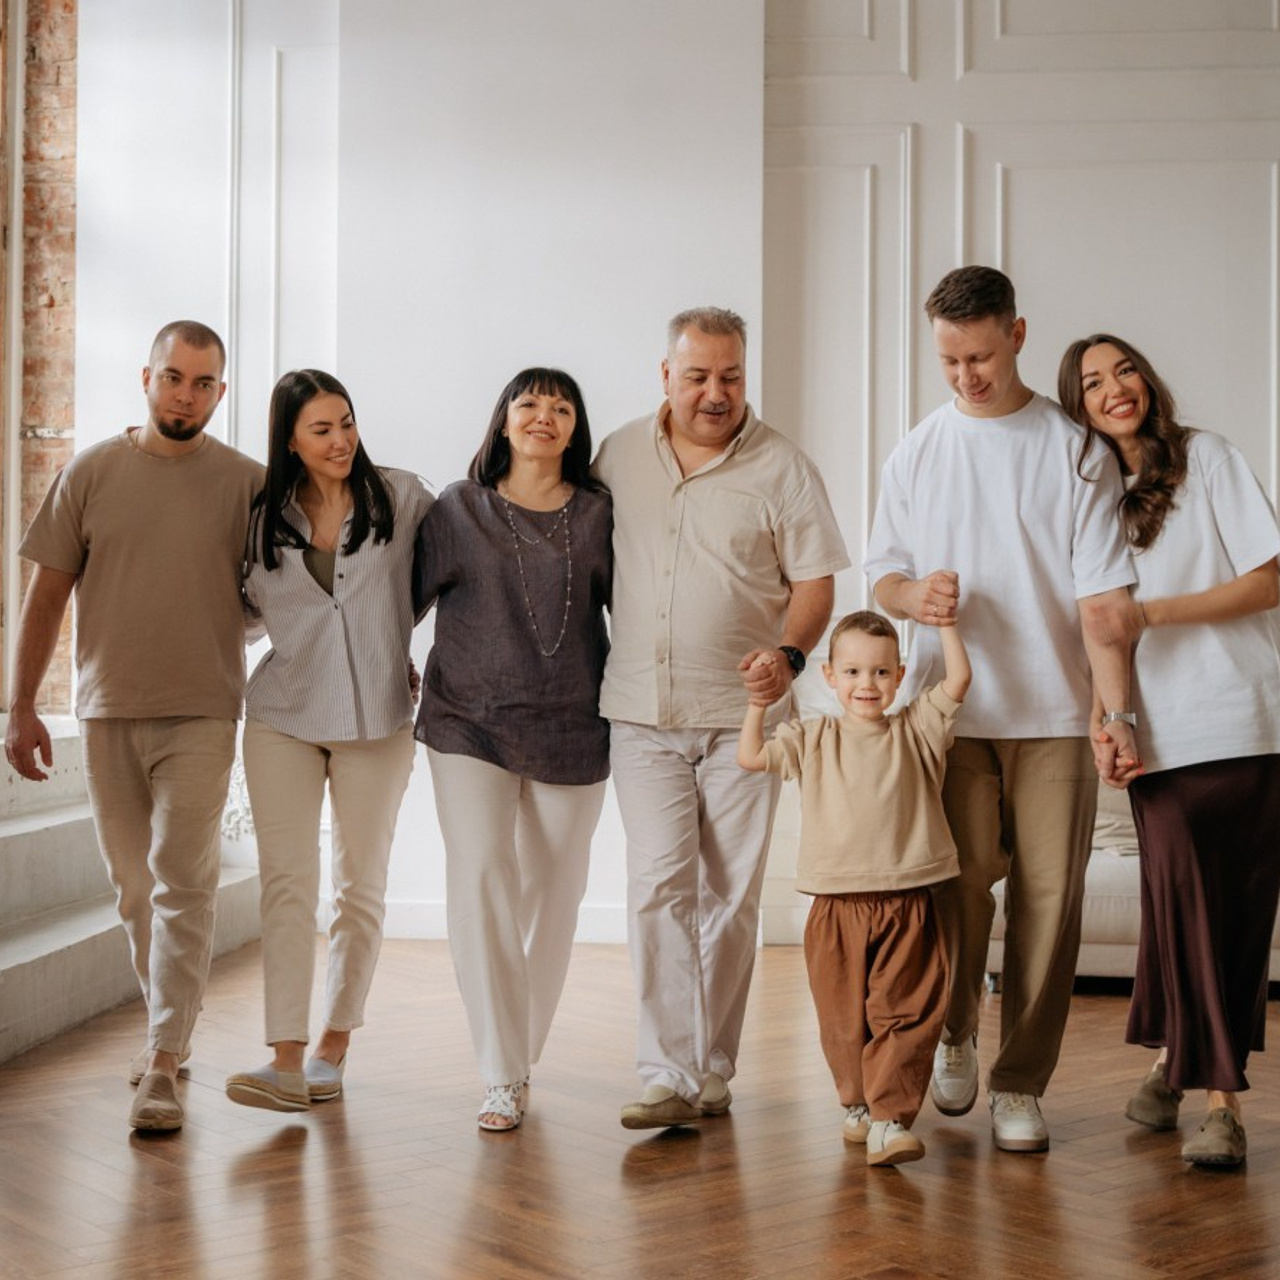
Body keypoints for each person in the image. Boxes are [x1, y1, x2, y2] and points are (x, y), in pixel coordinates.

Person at [864, 266, 1139, 1153]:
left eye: (979, 356)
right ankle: (954, 1034)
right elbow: (883, 575)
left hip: (1056, 713)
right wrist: (915, 598)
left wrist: (1113, 713)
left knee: (1050, 903)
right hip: (948, 713)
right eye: (948, 360)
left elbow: (1102, 595)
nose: (965, 376)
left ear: (1017, 336)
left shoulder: (1075, 450)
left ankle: (1020, 1082)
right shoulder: (916, 450)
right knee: (955, 890)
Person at [5, 321, 264, 1131]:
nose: (186, 395)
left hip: (204, 709)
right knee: (132, 889)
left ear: (221, 393)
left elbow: (294, 591)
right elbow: (46, 596)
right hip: (108, 708)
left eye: (203, 383)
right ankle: (171, 1030)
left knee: (184, 883)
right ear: (145, 378)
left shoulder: (248, 485)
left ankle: (160, 1061)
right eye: (174, 378)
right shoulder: (90, 472)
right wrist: (18, 706)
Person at [595, 306, 849, 1130]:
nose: (716, 392)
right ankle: (664, 1070)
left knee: (731, 899)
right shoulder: (617, 457)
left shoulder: (784, 467)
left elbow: (815, 584)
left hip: (746, 721)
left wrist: (792, 655)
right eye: (698, 374)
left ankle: (712, 1064)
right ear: (664, 375)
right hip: (641, 712)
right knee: (656, 888)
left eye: (731, 375)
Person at [1058, 333, 1280, 1168]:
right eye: (1091, 382)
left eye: (1124, 370)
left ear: (1146, 379)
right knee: (1178, 909)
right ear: (1076, 407)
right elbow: (1096, 622)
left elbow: (1270, 579)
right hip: (1158, 735)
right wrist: (1103, 717)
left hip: (1248, 721)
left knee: (1234, 913)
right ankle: (1178, 1070)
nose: (1115, 388)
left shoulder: (1209, 460)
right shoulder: (1089, 500)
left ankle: (1217, 1102)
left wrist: (1156, 615)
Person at [223, 370, 432, 1112]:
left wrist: (391, 645)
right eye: (321, 429)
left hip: (378, 719)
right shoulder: (256, 518)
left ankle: (332, 1047)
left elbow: (441, 584)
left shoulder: (405, 499)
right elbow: (244, 610)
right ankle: (283, 1060)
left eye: (346, 422)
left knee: (360, 887)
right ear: (289, 439)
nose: (341, 439)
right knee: (286, 883)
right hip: (283, 713)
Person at [414, 368, 612, 1132]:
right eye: (528, 403)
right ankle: (500, 1071)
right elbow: (399, 599)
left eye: (561, 406)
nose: (544, 415)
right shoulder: (458, 510)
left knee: (555, 890)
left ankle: (518, 1051)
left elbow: (633, 611)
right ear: (502, 421)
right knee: (482, 876)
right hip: (468, 719)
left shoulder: (597, 515)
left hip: (572, 721)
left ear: (574, 429)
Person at [739, 611, 970, 1165]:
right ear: (829, 676)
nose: (868, 684)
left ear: (900, 674)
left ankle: (890, 1120)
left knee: (905, 1011)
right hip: (836, 904)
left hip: (909, 897)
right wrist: (757, 704)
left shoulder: (917, 729)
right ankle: (858, 1104)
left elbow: (958, 680)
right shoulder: (813, 737)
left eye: (881, 672)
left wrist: (947, 625)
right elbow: (751, 756)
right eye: (854, 672)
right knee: (843, 1019)